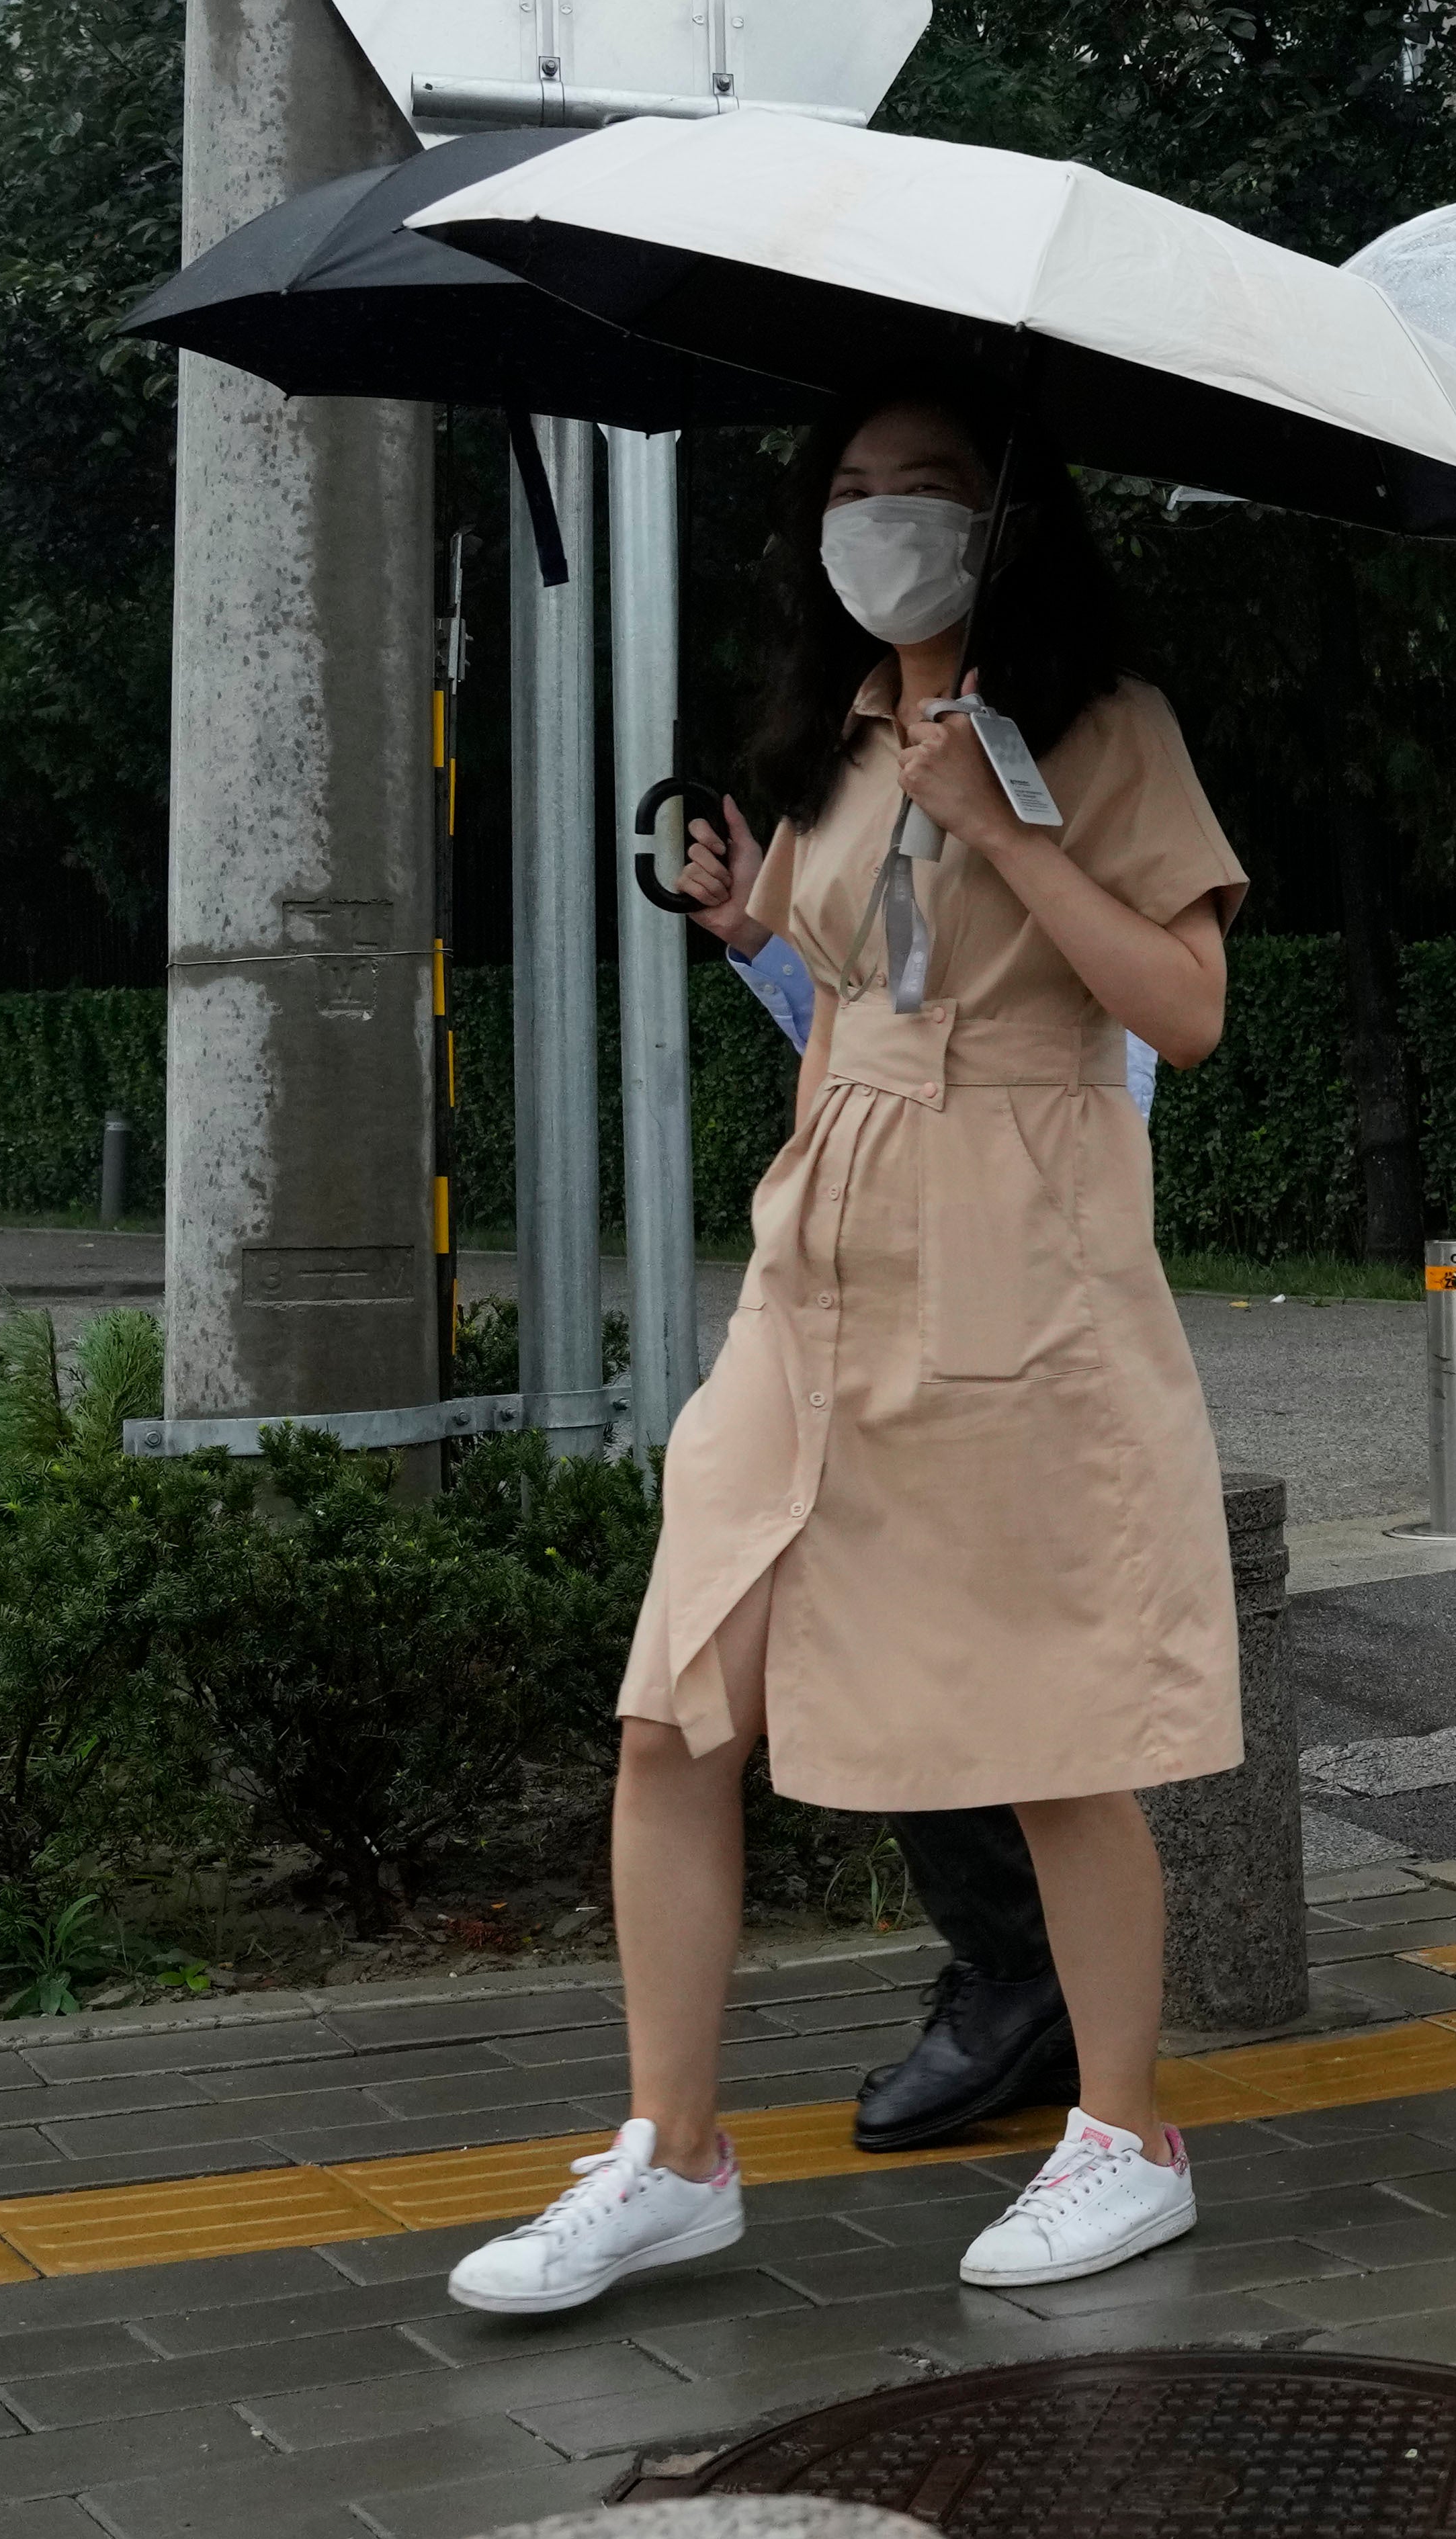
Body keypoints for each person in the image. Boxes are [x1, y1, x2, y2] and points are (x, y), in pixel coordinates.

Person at [446, 395, 1249, 2315]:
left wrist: (1006, 828)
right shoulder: (835, 732)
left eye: (927, 490)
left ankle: (1126, 2132)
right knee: (673, 1703)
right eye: (852, 490)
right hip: (818, 1255)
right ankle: (671, 2149)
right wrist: (767, 966)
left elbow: (1186, 1009)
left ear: (1008, 515)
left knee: (1051, 1724)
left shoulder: (1105, 725)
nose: (881, 521)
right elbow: (846, 1004)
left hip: (1020, 1244)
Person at [670, 824, 1149, 2153]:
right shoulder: (877, 787)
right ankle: (1027, 1985)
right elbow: (867, 1040)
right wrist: (767, 934)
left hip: (1013, 1299)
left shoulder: (1044, 783)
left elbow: (1099, 1049)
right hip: (873, 1296)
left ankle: (1049, 2010)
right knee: (866, 1650)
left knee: (986, 1671)